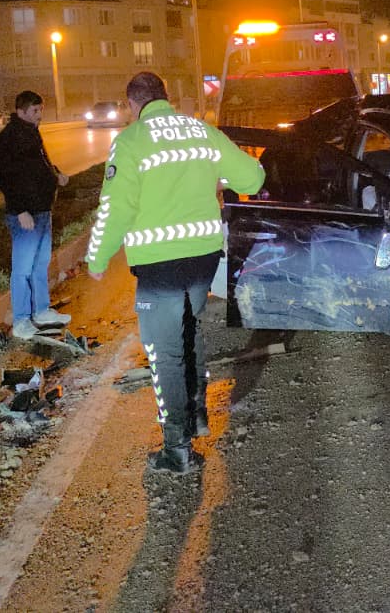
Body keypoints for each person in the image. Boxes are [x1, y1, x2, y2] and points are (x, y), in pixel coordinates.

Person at [86, 71, 264, 474]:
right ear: (166, 96)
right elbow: (253, 177)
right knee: (190, 329)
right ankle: (198, 414)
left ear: (133, 104)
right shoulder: (202, 132)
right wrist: (214, 178)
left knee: (162, 352)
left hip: (159, 266)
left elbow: (116, 208)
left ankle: (177, 448)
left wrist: (97, 260)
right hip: (203, 257)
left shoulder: (131, 141)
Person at [0, 90, 72, 340]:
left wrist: (55, 174)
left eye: (40, 110)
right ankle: (21, 320)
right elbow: (5, 178)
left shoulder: (31, 134)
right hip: (25, 214)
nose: (40, 115)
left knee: (40, 265)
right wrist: (19, 211)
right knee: (23, 269)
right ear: (21, 111)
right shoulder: (9, 138)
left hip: (41, 209)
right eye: (35, 111)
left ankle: (41, 311)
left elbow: (40, 165)